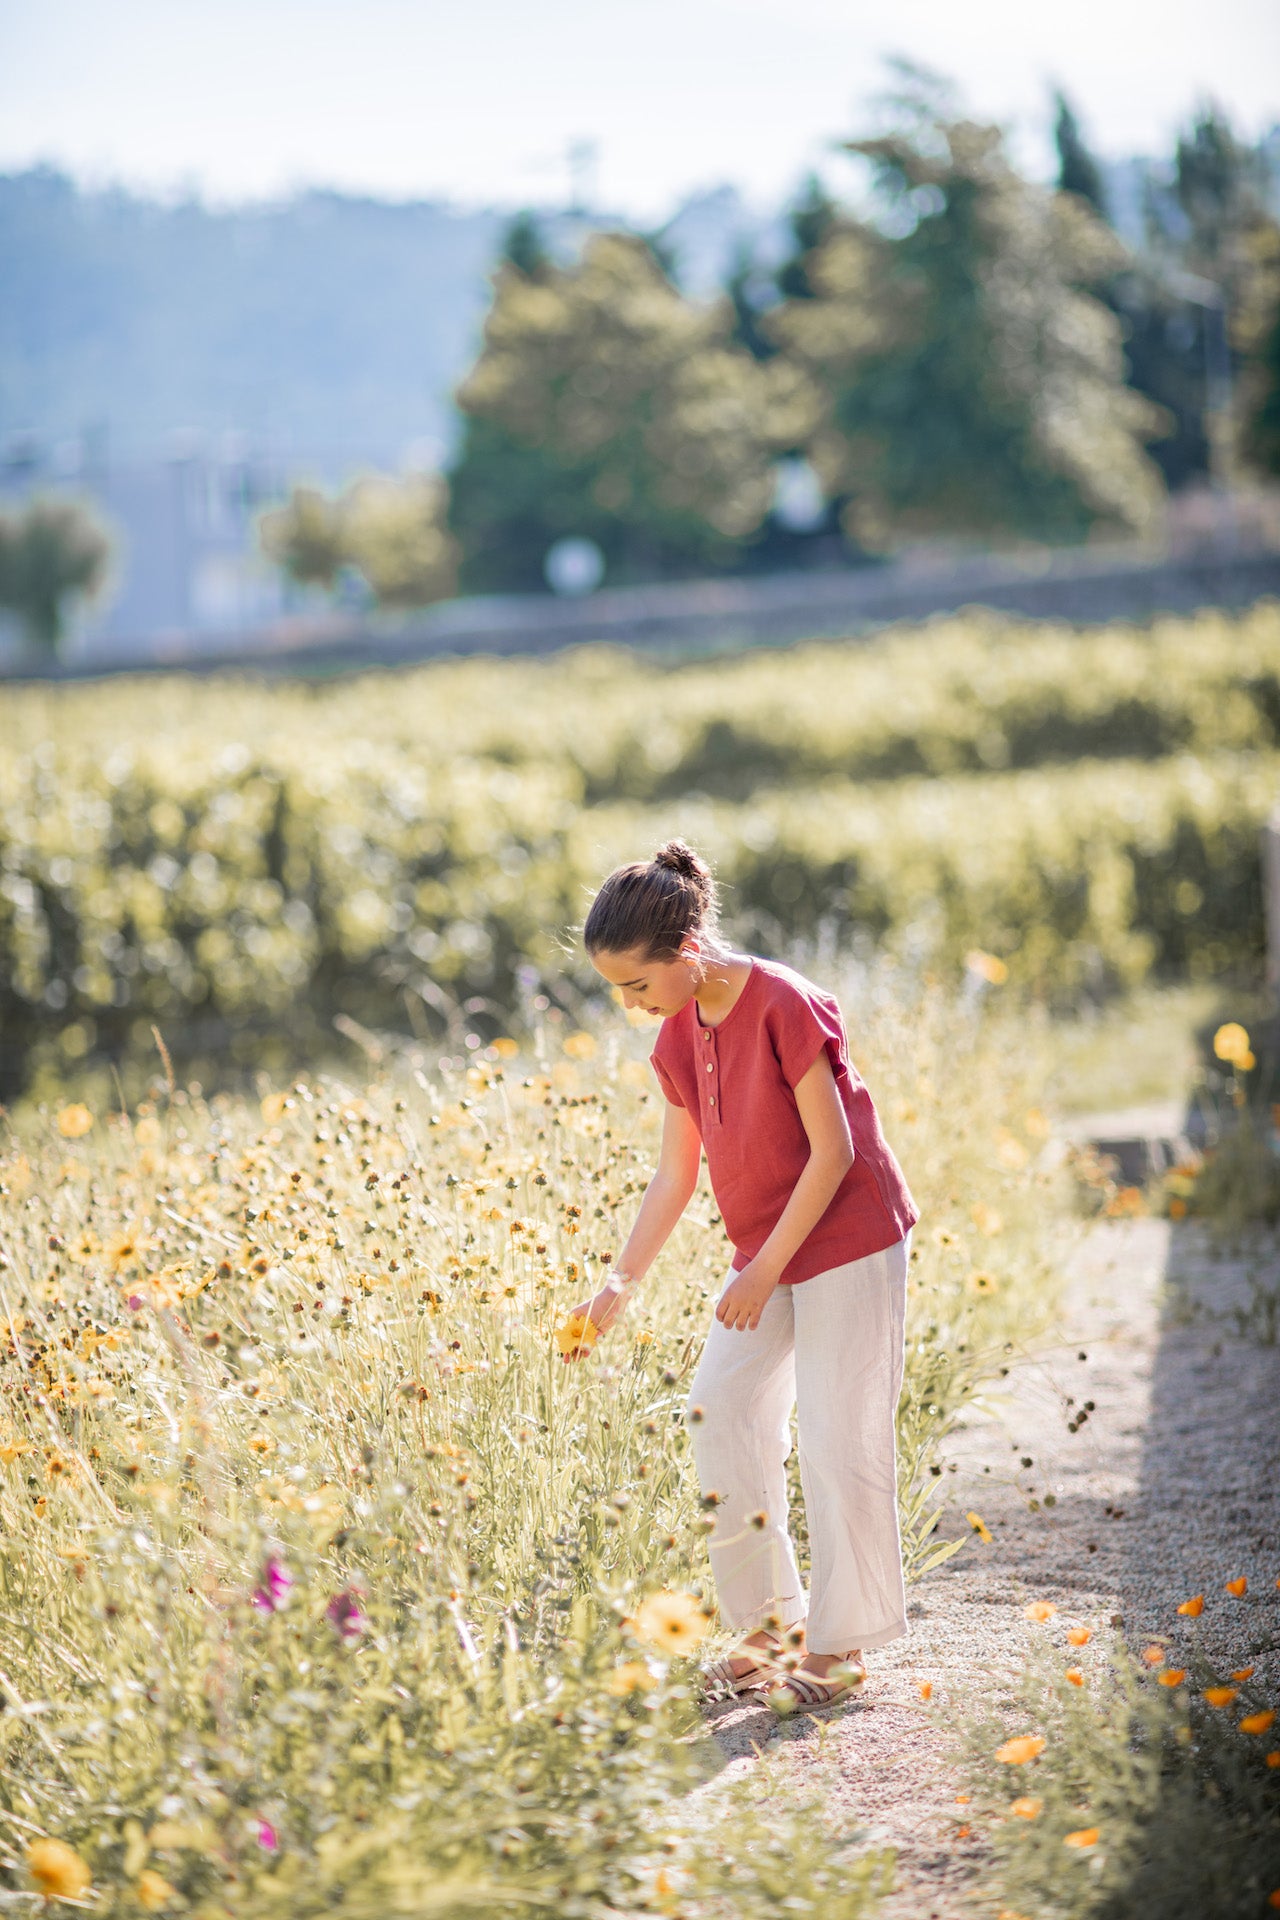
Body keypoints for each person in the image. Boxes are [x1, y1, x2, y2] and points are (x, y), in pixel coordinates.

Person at [565, 838, 919, 1714]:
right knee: (721, 1407)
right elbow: (675, 1173)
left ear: (685, 954)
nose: (631, 1005)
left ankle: (838, 1648)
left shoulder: (783, 1002)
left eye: (637, 985)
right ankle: (766, 1633)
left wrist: (762, 1272)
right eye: (617, 990)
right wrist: (619, 1282)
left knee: (840, 1441)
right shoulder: (680, 1035)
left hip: (849, 1237)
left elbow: (834, 1153)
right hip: (764, 1251)